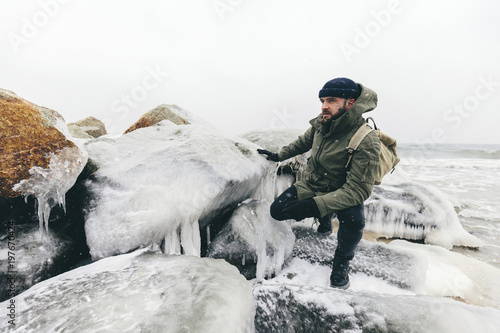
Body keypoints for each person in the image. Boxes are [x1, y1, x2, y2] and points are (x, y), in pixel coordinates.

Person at [257, 77, 381, 289]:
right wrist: (279, 156)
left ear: (350, 103)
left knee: (354, 222)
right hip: (314, 183)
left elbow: (358, 190)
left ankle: (341, 263)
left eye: (331, 100)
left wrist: (314, 206)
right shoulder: (322, 122)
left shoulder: (366, 139)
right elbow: (303, 142)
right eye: (322, 100)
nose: (324, 106)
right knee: (278, 210)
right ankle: (324, 218)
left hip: (343, 191)